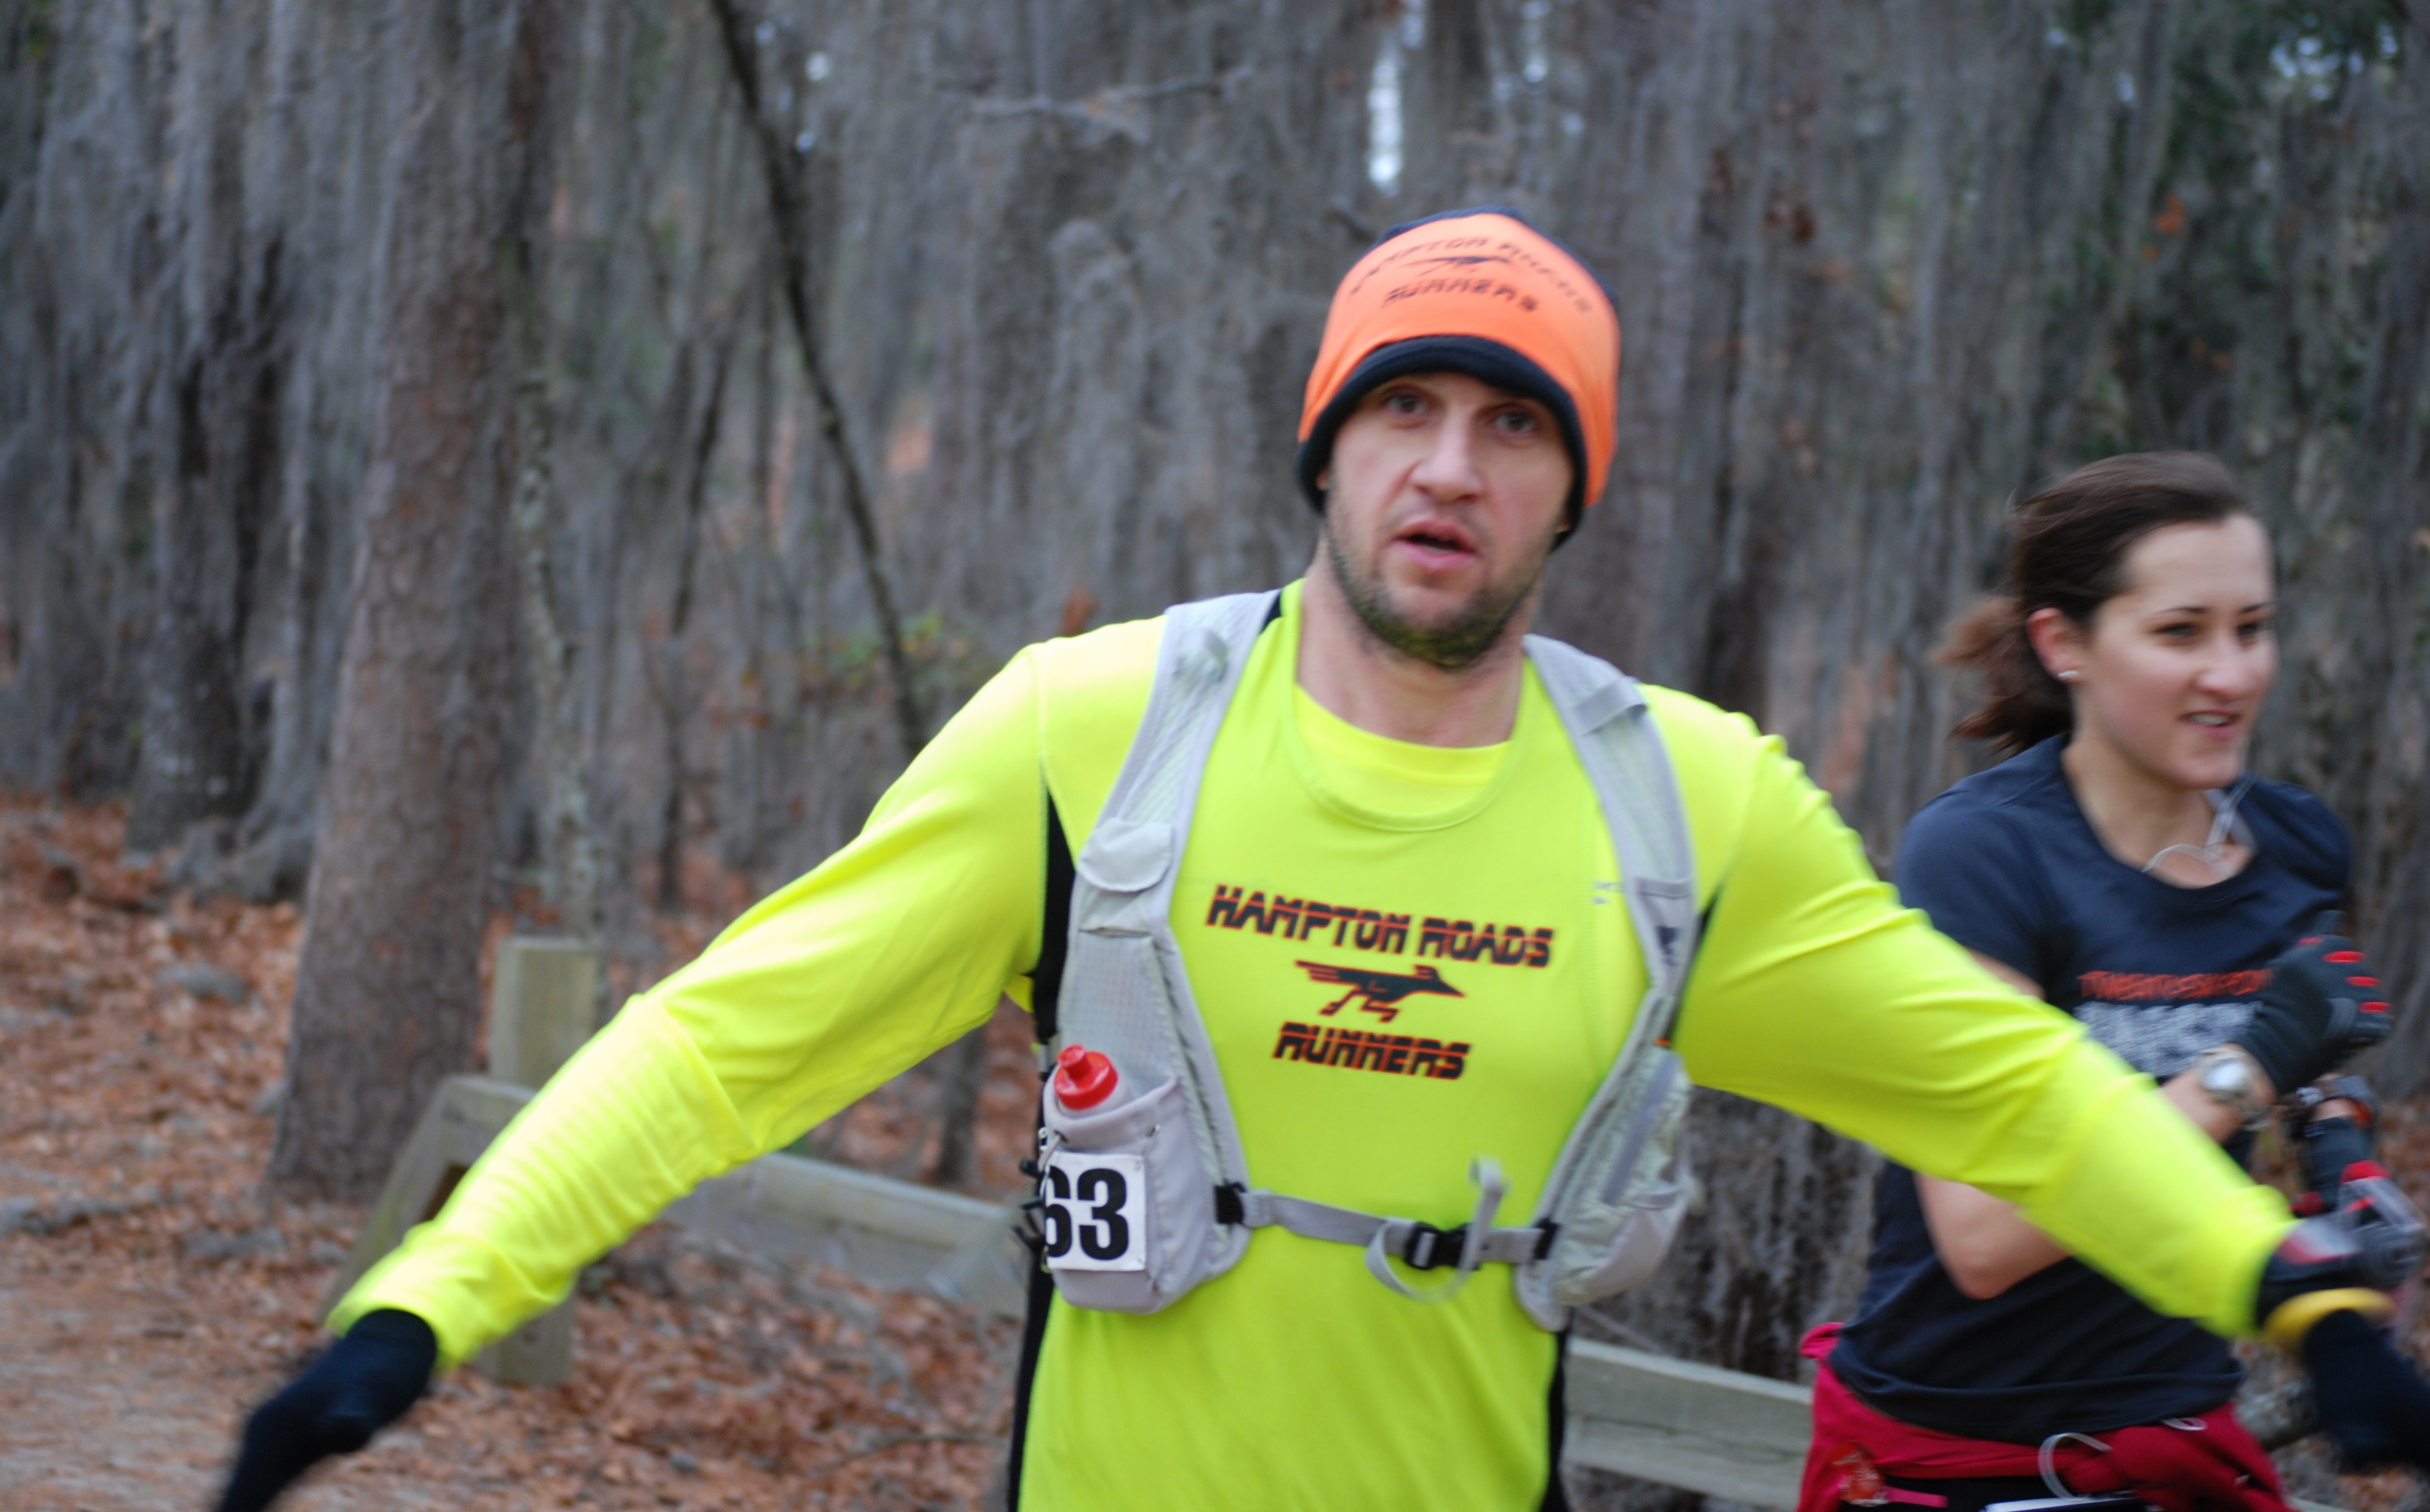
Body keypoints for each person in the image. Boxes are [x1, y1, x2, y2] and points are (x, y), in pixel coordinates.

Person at [216, 214, 2426, 1512]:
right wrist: (431, 1300)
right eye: (1404, 408)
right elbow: (723, 1046)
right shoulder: (1093, 734)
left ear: (1571, 489)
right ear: (1330, 442)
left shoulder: (1689, 807)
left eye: (1514, 424)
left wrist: (2277, 1282)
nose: (1449, 467)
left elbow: (2004, 1090)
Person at [1804, 454, 2428, 1512]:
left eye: (2252, 628)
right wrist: (2250, 1066)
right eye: (2181, 633)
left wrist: (2343, 1160)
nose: (2231, 674)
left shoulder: (2296, 845)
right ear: (2064, 644)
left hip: (2175, 1418)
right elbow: (1984, 1235)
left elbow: (2315, 1046)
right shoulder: (1984, 855)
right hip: (1960, 1444)